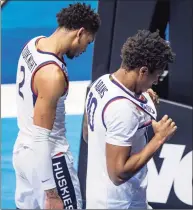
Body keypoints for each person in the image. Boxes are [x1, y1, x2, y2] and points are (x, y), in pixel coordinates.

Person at [12, 3, 100, 209]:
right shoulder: (52, 75)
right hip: (50, 161)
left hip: (22, 153)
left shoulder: (34, 44)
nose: (85, 49)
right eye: (87, 42)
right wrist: (51, 192)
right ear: (80, 33)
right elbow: (41, 136)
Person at [83, 30, 177, 209]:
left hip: (114, 198)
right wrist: (159, 139)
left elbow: (89, 135)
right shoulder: (123, 109)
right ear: (143, 71)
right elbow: (117, 174)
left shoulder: (101, 83)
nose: (156, 81)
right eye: (156, 75)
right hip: (118, 204)